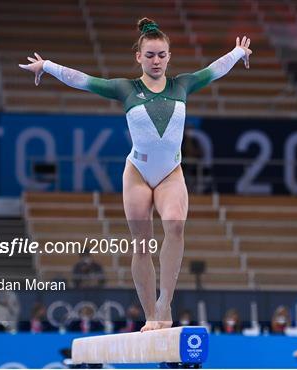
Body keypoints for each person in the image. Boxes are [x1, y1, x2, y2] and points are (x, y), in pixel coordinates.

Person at [20, 18, 252, 332]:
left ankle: (164, 305)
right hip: (138, 173)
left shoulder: (181, 85)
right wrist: (47, 65)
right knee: (142, 244)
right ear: (138, 57)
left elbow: (214, 69)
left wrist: (238, 52)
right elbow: (84, 79)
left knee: (176, 227)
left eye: (161, 55)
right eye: (150, 55)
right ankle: (150, 316)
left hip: (171, 172)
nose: (156, 61)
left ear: (169, 56)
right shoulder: (126, 88)